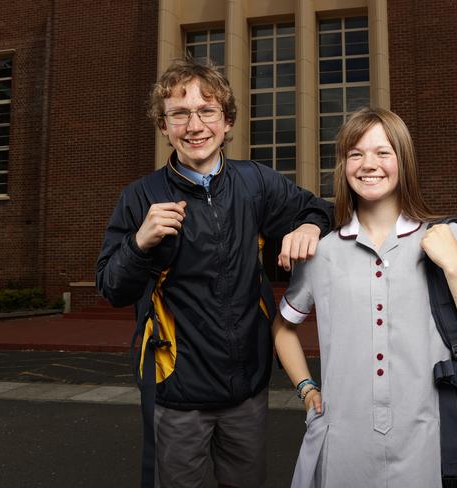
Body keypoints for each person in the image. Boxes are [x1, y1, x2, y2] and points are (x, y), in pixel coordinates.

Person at [96, 58, 332, 488]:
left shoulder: (255, 182)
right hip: (178, 390)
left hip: (247, 389)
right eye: (180, 114)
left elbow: (319, 208)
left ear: (226, 122)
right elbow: (111, 287)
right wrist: (139, 243)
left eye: (207, 111)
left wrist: (310, 225)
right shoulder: (140, 198)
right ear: (163, 125)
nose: (194, 125)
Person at [272, 107, 457, 488]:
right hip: (342, 447)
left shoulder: (448, 238)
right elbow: (282, 329)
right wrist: (305, 388)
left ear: (403, 161)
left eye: (383, 152)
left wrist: (454, 266)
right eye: (356, 154)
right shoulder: (323, 251)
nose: (369, 165)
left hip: (428, 444)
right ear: (344, 166)